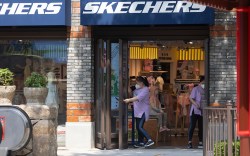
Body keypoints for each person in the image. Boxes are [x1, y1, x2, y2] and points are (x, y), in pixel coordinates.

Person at [124, 76, 154, 148]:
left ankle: (149, 139)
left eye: (137, 82)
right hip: (137, 110)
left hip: (143, 110)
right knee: (138, 127)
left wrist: (129, 100)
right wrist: (128, 86)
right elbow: (131, 93)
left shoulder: (146, 89)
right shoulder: (137, 89)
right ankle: (141, 142)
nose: (136, 84)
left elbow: (138, 98)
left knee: (139, 127)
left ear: (142, 83)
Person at [188, 75, 205, 149]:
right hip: (195, 110)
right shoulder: (196, 89)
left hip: (202, 110)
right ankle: (189, 142)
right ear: (201, 81)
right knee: (192, 126)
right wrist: (196, 104)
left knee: (201, 126)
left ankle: (201, 141)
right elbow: (191, 98)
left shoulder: (206, 89)